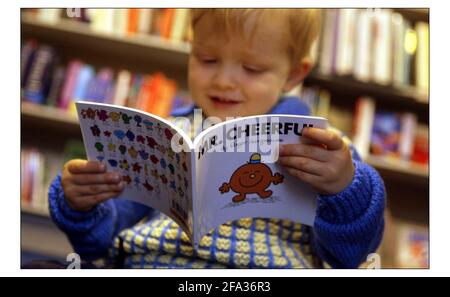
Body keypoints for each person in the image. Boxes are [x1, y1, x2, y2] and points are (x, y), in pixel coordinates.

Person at [48, 8, 385, 268]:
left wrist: (345, 187)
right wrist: (82, 204)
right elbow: (98, 240)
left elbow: (350, 255)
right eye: (207, 59)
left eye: (251, 69)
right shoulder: (161, 135)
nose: (223, 81)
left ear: (294, 74)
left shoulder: (321, 146)